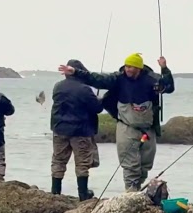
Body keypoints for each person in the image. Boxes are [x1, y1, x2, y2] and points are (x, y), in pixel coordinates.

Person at [58, 53, 174, 192]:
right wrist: (76, 72)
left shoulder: (152, 79)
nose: (128, 69)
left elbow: (169, 87)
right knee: (130, 166)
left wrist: (164, 69)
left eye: (131, 67)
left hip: (148, 129)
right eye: (126, 66)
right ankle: (130, 191)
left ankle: (136, 189)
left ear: (139, 68)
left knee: (145, 165)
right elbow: (97, 79)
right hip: (126, 127)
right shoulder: (118, 78)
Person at [50, 59, 103, 199]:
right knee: (82, 163)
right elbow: (97, 108)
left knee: (58, 160)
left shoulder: (57, 86)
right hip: (81, 130)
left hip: (59, 128)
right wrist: (98, 98)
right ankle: (83, 194)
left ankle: (55, 192)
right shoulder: (84, 89)